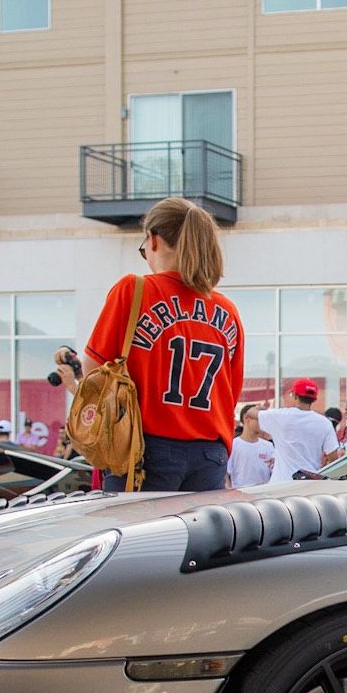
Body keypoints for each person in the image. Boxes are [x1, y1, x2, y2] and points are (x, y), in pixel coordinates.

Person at [81, 197, 244, 493]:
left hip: (145, 450)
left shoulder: (134, 289)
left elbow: (93, 371)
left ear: (153, 240)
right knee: (199, 539)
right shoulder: (227, 310)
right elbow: (230, 392)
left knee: (137, 538)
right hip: (210, 454)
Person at [259, 378, 341, 482]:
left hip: (280, 484)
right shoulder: (324, 423)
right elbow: (334, 458)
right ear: (314, 399)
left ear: (294, 395)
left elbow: (251, 414)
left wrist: (262, 410)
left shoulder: (281, 416)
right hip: (308, 484)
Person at [228, 402, 276, 489]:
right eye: (258, 418)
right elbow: (226, 475)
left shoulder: (268, 446)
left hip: (264, 496)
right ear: (246, 418)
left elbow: (274, 472)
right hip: (241, 497)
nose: (262, 422)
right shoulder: (233, 445)